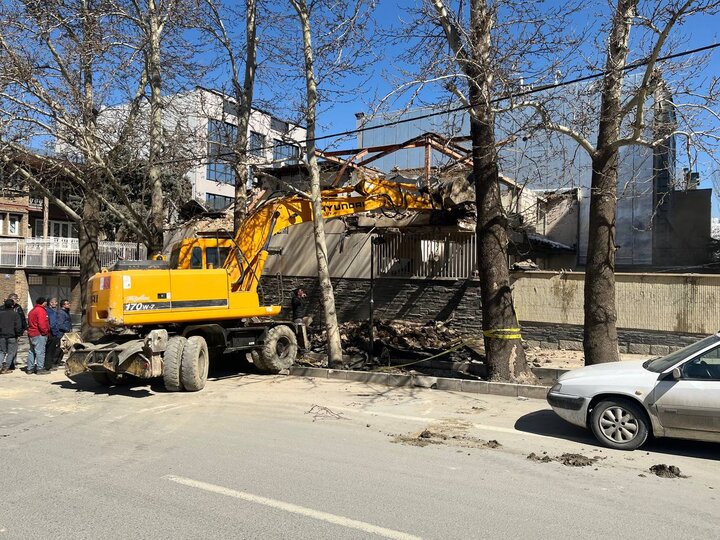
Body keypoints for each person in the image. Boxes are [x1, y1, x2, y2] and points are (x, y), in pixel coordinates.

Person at [26, 297, 51, 374]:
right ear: (43, 302)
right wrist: (45, 332)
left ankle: (30, 368)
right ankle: (40, 368)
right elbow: (42, 323)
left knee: (32, 351)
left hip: (32, 333)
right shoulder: (41, 311)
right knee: (40, 351)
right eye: (46, 302)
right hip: (39, 334)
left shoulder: (32, 310)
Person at [0, 299, 22, 374]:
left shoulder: (1, 314)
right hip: (12, 336)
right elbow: (18, 326)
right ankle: (6, 368)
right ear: (12, 305)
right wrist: (18, 334)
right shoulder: (15, 314)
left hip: (2, 335)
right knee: (11, 352)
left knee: (2, 352)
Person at [7, 293, 27, 370]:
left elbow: (22, 318)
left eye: (17, 299)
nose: (16, 300)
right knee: (3, 349)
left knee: (14, 349)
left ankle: (12, 364)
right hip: (5, 331)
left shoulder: (18, 307)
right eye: (15, 299)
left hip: (15, 331)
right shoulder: (4, 307)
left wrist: (24, 328)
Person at [45, 297, 62, 367]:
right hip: (52, 334)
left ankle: (47, 364)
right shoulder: (51, 312)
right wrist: (56, 334)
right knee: (51, 350)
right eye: (55, 302)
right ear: (50, 303)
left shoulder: (47, 310)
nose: (56, 303)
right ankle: (48, 365)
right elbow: (52, 324)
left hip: (49, 333)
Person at [56, 299, 73, 364]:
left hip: (66, 333)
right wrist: (67, 329)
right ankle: (55, 361)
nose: (69, 305)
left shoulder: (66, 312)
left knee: (64, 348)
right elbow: (60, 324)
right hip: (61, 333)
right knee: (59, 348)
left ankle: (59, 361)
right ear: (63, 305)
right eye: (67, 304)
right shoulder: (61, 313)